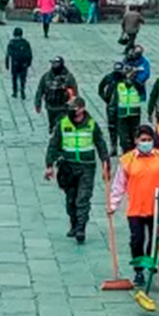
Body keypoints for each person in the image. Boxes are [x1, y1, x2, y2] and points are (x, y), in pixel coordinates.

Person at [108, 125, 159, 286]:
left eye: (149, 140)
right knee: (137, 240)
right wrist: (112, 205)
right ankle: (138, 270)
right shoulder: (127, 160)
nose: (146, 143)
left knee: (154, 240)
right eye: (143, 140)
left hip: (157, 209)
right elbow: (119, 185)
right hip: (136, 208)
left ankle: (150, 263)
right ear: (136, 140)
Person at [44, 97, 111, 244]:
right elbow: (53, 145)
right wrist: (49, 165)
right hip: (68, 167)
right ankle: (74, 223)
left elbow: (100, 144)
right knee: (71, 200)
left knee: (83, 199)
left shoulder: (92, 125)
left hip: (87, 167)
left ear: (81, 109)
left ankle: (81, 228)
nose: (70, 111)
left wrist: (106, 164)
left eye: (73, 108)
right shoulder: (62, 124)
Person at [98, 62, 145, 154]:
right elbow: (101, 88)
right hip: (112, 106)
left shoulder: (124, 80)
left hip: (123, 108)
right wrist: (106, 99)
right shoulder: (109, 78)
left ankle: (125, 146)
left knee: (125, 130)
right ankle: (113, 145)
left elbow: (139, 89)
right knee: (112, 126)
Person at [34, 57, 78, 130]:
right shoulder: (46, 77)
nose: (54, 65)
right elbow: (40, 90)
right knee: (52, 125)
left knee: (62, 125)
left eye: (56, 64)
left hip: (63, 107)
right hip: (50, 107)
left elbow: (74, 92)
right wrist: (37, 103)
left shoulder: (68, 77)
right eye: (53, 64)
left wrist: (74, 107)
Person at [5, 27, 33, 99]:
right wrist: (29, 63)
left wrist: (7, 64)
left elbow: (8, 54)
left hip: (15, 63)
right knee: (23, 78)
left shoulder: (12, 43)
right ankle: (22, 91)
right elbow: (29, 53)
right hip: (24, 63)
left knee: (14, 77)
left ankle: (15, 92)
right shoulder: (25, 42)